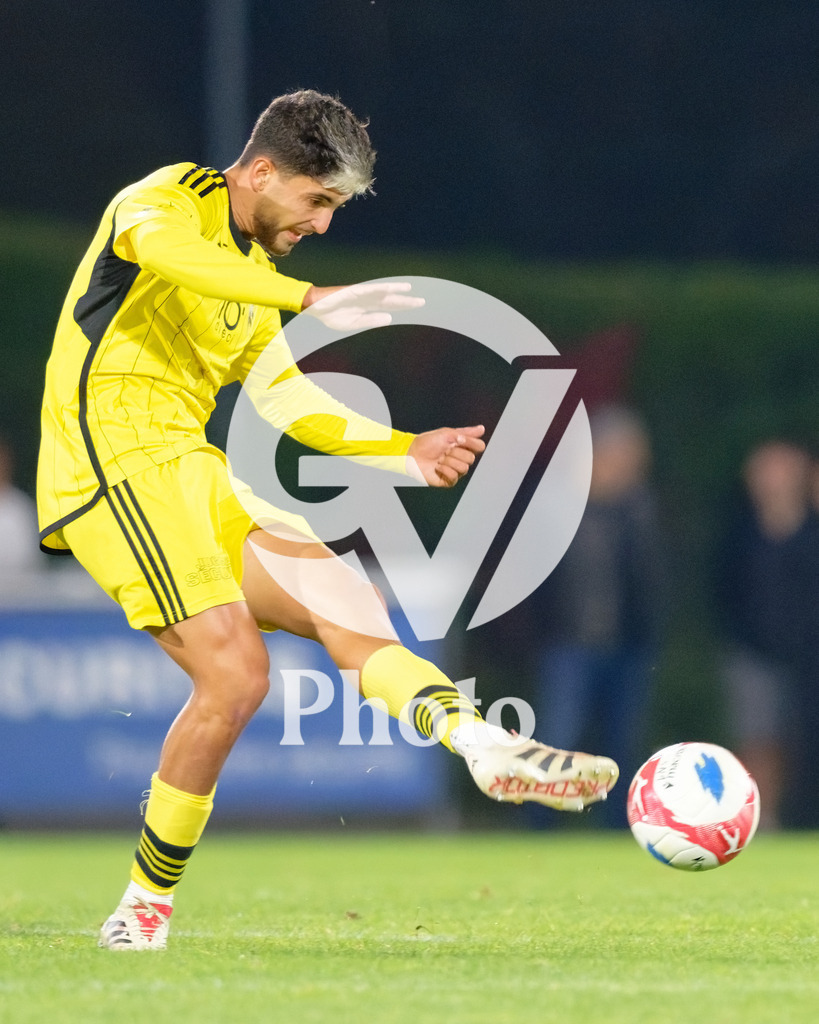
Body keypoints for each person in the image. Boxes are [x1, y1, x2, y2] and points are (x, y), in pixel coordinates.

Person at [36, 90, 618, 950]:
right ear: (260, 172)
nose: (321, 224)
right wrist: (307, 297)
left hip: (191, 467)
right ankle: (141, 910)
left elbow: (282, 397)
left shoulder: (253, 278)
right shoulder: (164, 200)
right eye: (316, 201)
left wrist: (404, 449)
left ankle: (480, 745)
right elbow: (173, 259)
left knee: (346, 596)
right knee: (235, 675)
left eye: (333, 208)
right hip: (109, 466)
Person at [527, 405, 665, 827]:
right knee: (558, 742)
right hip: (568, 644)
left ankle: (619, 830)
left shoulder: (641, 508)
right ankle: (536, 826)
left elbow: (654, 578)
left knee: (623, 745)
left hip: (629, 645)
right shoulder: (556, 506)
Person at [716, 440, 819, 830]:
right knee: (758, 736)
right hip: (752, 652)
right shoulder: (739, 533)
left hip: (809, 656)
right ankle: (761, 816)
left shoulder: (812, 531)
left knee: (803, 740)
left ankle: (801, 815)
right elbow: (722, 591)